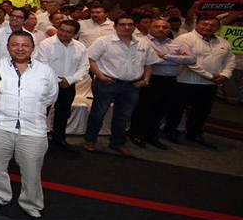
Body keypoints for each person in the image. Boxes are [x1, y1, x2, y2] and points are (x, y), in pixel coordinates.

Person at [0, 31, 58, 220]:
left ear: (32, 48)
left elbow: (51, 97)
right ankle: (0, 197)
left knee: (32, 170)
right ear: (8, 47)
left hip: (33, 129)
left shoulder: (45, 71)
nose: (20, 48)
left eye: (24, 45)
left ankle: (31, 205)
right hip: (2, 125)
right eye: (15, 45)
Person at [84, 13, 159, 156]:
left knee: (123, 116)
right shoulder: (104, 41)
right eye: (122, 24)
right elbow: (90, 59)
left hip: (132, 86)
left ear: (134, 26)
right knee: (98, 113)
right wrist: (100, 75)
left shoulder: (143, 43)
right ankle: (90, 139)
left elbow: (149, 63)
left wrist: (146, 80)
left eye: (130, 24)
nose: (126, 27)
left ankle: (117, 142)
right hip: (107, 83)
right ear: (115, 26)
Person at [129, 17, 195, 149]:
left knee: (161, 109)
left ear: (169, 29)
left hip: (170, 81)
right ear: (150, 28)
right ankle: (136, 134)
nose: (161, 29)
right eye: (157, 26)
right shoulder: (142, 42)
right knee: (143, 108)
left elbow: (191, 59)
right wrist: (177, 59)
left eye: (165, 27)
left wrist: (166, 56)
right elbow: (148, 61)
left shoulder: (175, 44)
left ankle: (152, 135)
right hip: (150, 79)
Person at [170, 14, 234, 148]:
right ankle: (171, 132)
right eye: (204, 24)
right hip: (185, 82)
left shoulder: (223, 42)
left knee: (202, 111)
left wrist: (225, 74)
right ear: (197, 24)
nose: (208, 27)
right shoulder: (184, 39)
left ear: (218, 27)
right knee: (177, 110)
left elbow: (230, 60)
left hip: (209, 85)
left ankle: (194, 134)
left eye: (212, 25)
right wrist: (211, 76)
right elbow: (188, 62)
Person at [35, 19, 89, 152]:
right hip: (47, 84)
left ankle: (59, 139)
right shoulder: (46, 44)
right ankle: (38, 140)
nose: (64, 34)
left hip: (68, 85)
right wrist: (58, 81)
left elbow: (84, 67)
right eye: (62, 30)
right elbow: (42, 64)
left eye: (68, 32)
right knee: (42, 113)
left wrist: (70, 80)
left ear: (75, 34)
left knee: (63, 113)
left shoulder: (80, 46)